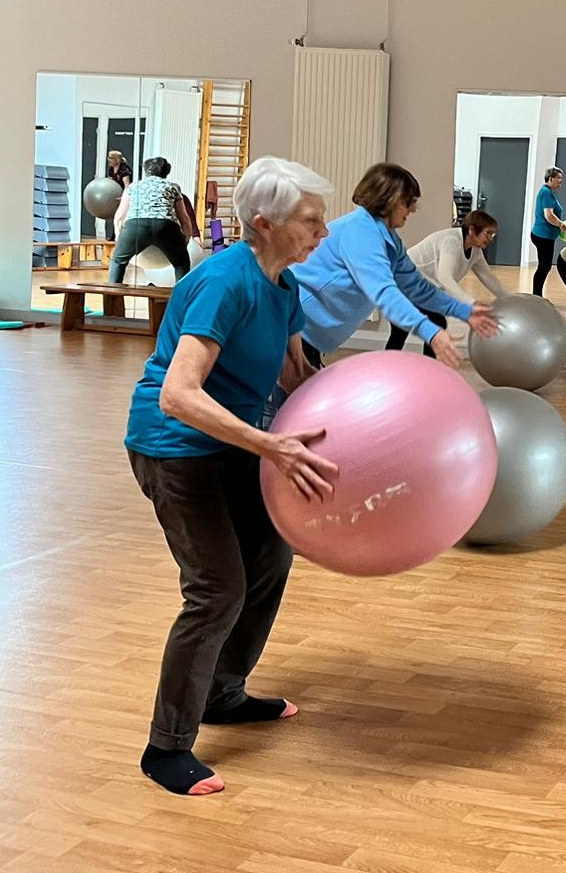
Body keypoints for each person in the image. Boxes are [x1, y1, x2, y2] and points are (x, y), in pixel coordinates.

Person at [124, 156, 339, 797]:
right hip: (175, 448)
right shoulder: (225, 282)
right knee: (217, 590)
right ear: (264, 223)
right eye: (311, 221)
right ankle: (166, 749)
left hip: (237, 442)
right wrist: (271, 444)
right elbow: (179, 395)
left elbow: (295, 375)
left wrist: (364, 424)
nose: (322, 233)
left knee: (272, 554)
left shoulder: (283, 284)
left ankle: (223, 692)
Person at [292, 163, 497, 370]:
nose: (414, 209)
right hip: (294, 324)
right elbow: (384, 293)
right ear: (389, 200)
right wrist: (431, 332)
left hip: (308, 332)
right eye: (408, 202)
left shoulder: (389, 239)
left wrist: (464, 311)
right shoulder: (362, 232)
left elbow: (417, 286)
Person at [393, 209, 506, 358]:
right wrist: (471, 303)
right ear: (472, 230)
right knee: (422, 326)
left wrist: (508, 298)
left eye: (493, 234)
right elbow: (445, 277)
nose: (491, 238)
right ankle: (390, 370)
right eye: (488, 233)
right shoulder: (452, 242)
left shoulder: (475, 251)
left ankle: (427, 369)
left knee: (428, 326)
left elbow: (488, 277)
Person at [110, 156, 198, 284]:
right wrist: (184, 241)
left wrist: (120, 238)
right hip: (166, 227)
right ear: (166, 172)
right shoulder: (173, 187)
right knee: (181, 263)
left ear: (146, 171)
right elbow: (184, 218)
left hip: (136, 225)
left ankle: (112, 297)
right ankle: (181, 299)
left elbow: (119, 217)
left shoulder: (133, 187)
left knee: (118, 261)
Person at [530, 167, 566, 297]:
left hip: (545, 235)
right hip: (543, 236)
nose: (561, 181)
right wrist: (562, 225)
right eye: (559, 178)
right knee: (544, 267)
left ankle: (537, 295)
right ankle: (537, 296)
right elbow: (549, 216)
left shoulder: (548, 192)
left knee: (544, 266)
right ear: (550, 179)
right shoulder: (546, 192)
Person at [104, 149, 132, 241]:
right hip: (116, 195)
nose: (109, 160)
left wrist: (124, 197)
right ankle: (115, 235)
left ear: (117, 159)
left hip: (124, 195)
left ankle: (119, 237)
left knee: (121, 216)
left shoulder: (124, 169)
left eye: (111, 158)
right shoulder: (112, 169)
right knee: (116, 215)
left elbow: (127, 185)